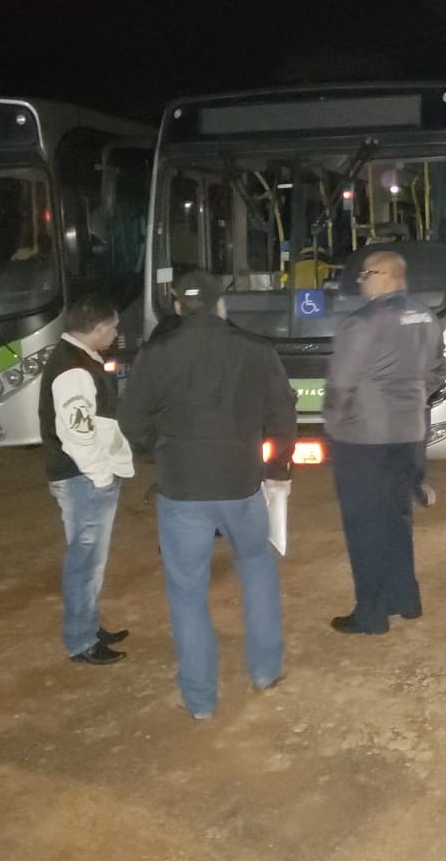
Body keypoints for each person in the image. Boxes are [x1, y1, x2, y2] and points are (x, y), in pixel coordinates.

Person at [119, 270, 296, 719]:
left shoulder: (155, 354)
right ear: (222, 304)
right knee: (257, 570)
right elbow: (282, 413)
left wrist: (158, 453)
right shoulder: (256, 350)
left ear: (178, 306)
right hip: (241, 484)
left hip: (182, 489)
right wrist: (277, 466)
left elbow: (133, 422)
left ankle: (200, 701)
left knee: (186, 593)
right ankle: (264, 670)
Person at [325, 250, 446, 635]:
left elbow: (341, 384)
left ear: (380, 276)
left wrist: (335, 422)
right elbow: (437, 374)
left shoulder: (362, 322)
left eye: (362, 277)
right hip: (409, 433)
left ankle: (371, 614)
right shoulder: (426, 316)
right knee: (397, 517)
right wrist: (408, 402)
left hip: (363, 439)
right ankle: (404, 598)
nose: (361, 283)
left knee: (365, 525)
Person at [39, 293, 135, 664]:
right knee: (84, 564)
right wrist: (100, 475)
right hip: (84, 479)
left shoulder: (77, 360)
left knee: (90, 562)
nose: (115, 334)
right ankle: (81, 641)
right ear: (97, 329)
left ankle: (89, 625)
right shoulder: (74, 370)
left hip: (84, 477)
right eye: (113, 327)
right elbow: (78, 433)